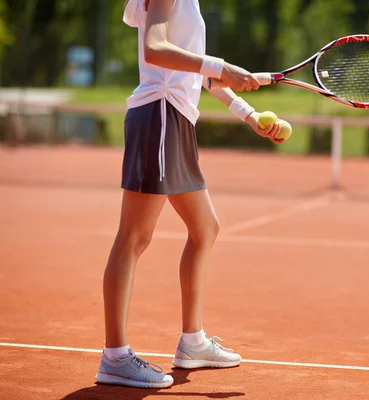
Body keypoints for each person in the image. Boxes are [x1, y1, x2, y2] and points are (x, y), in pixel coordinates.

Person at [95, 0, 283, 389]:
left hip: (175, 117)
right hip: (159, 116)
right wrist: (218, 65)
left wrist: (248, 114)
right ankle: (114, 357)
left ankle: (193, 343)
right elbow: (155, 47)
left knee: (205, 229)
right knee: (133, 238)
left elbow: (194, 73)